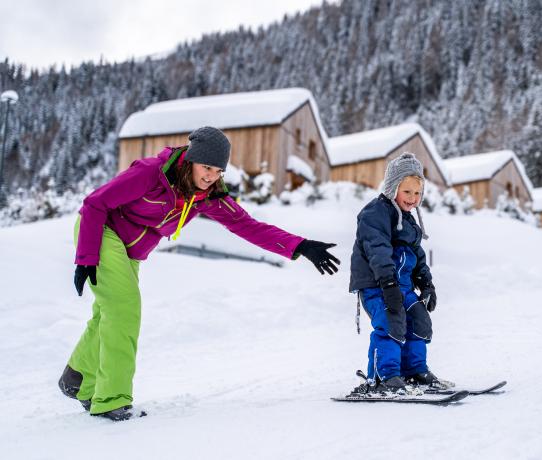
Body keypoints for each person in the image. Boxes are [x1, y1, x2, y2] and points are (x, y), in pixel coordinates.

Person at [58, 126, 340, 421]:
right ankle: (111, 400)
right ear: (191, 161)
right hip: (102, 233)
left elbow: (247, 225)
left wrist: (301, 246)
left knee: (110, 312)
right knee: (124, 309)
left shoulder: (208, 196)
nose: (211, 176)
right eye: (207, 167)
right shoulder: (152, 173)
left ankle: (77, 377)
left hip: (131, 250)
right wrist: (86, 257)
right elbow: (95, 203)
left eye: (218, 171)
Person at [349, 152, 447, 393]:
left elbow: (418, 256)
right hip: (378, 286)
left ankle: (414, 371)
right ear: (393, 187)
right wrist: (388, 284)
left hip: (401, 286)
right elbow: (378, 250)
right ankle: (383, 376)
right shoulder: (375, 214)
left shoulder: (410, 221)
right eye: (407, 192)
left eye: (417, 193)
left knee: (419, 319)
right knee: (391, 322)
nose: (413, 199)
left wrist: (426, 284)